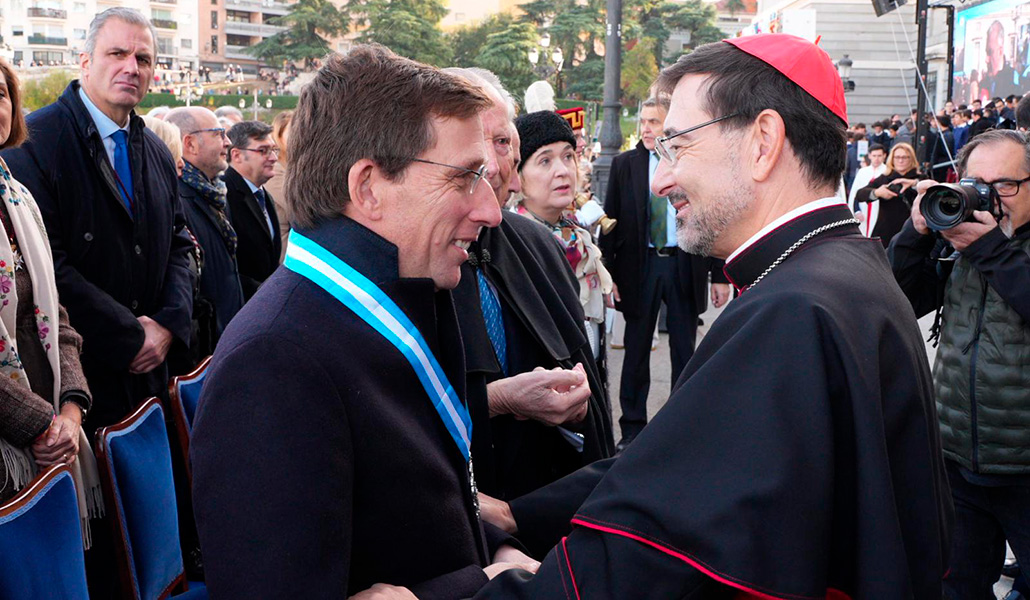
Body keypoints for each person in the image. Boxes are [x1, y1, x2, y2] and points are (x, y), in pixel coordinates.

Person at [475, 33, 951, 599]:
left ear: (763, 142)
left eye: (677, 145)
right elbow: (678, 463)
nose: (659, 179)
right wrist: (517, 515)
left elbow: (655, 556)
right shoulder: (836, 269)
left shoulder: (790, 311)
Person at [190, 45, 538, 599]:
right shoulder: (275, 361)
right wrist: (479, 583)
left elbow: (418, 505)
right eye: (466, 177)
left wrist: (495, 546)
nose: (491, 210)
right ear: (368, 186)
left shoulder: (398, 299)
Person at [0, 10, 194, 596]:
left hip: (129, 390)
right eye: (116, 54)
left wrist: (166, 323)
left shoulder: (156, 152)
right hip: (73, 394)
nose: (130, 68)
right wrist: (129, 336)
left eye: (143, 59)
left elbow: (182, 243)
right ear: (83, 61)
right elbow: (54, 273)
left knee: (146, 553)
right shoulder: (40, 143)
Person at [443, 67, 614, 513]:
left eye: (509, 149)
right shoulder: (410, 254)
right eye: (495, 145)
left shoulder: (537, 243)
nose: (508, 176)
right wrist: (497, 401)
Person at [889, 128, 1030, 599]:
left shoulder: (985, 246)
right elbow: (895, 302)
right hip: (956, 458)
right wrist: (916, 233)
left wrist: (991, 250)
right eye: (976, 183)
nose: (988, 197)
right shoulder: (958, 242)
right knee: (956, 587)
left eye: (1004, 185)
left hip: (1025, 466)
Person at [0, 57, 101, 543]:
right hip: (10, 457)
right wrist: (40, 424)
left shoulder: (18, 197)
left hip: (52, 439)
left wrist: (70, 410)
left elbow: (55, 316)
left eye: (1, 94)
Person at [598, 95, 729, 449]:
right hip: (639, 268)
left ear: (670, 126)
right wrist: (607, 275)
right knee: (636, 350)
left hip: (684, 263)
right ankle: (632, 430)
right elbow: (609, 220)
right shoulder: (626, 164)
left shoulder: (692, 163)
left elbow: (712, 217)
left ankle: (680, 430)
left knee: (685, 352)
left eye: (653, 123)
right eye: (642, 122)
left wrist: (719, 275)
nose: (645, 129)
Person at [513, 111, 613, 360]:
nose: (563, 170)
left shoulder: (577, 237)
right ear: (518, 175)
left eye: (568, 156)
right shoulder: (511, 244)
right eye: (545, 161)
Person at [165, 107, 243, 349]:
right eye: (219, 134)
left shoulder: (213, 193)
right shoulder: (176, 199)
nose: (228, 142)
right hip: (204, 346)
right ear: (190, 144)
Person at [225, 120, 282, 300]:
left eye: (274, 150)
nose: (273, 158)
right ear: (237, 155)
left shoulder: (263, 194)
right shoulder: (225, 194)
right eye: (263, 151)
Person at [855, 142, 924, 246]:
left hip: (913, 231)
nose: (900, 161)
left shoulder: (920, 178)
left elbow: (933, 188)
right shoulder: (885, 178)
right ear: (892, 159)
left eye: (905, 157)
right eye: (897, 157)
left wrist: (915, 184)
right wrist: (877, 192)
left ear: (911, 159)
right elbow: (860, 195)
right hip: (887, 232)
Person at [265, 109, 292, 259]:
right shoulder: (274, 168)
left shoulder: (296, 166)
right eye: (293, 131)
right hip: (284, 253)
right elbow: (300, 206)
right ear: (279, 136)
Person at [848, 142, 886, 211]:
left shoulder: (887, 171)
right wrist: (857, 211)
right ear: (869, 156)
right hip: (863, 209)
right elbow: (855, 192)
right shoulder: (862, 172)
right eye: (874, 156)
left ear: (884, 156)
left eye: (879, 156)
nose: (876, 159)